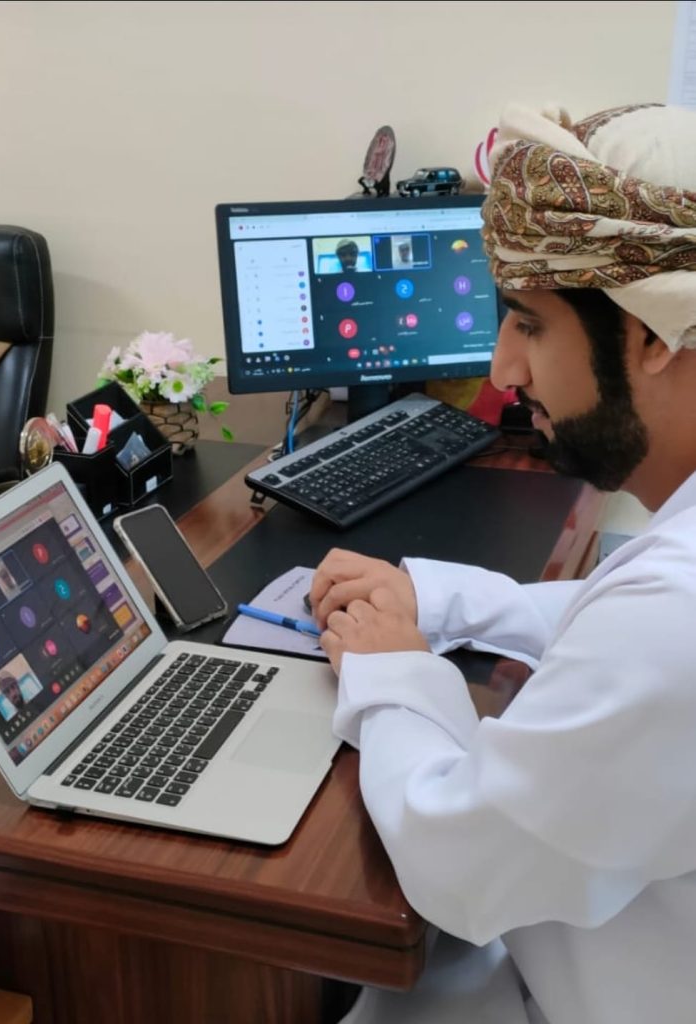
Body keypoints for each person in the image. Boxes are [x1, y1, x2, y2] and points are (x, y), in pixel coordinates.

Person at [309, 102, 696, 1024]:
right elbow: (615, 626)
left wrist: (393, 672)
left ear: (652, 334)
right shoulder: (663, 597)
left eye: (527, 323)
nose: (502, 372)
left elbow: (457, 867)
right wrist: (437, 597)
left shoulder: (672, 620)